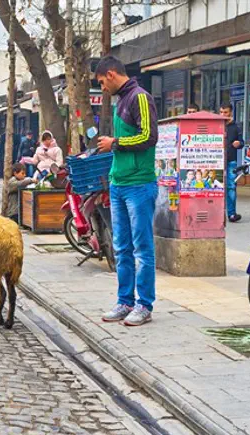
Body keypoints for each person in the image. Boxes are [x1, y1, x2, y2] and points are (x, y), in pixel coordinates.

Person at [95, 55, 158, 327]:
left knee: (142, 248)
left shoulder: (140, 97)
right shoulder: (121, 100)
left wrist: (115, 143)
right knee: (121, 248)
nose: (102, 88)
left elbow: (149, 136)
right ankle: (125, 301)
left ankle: (144, 305)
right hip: (119, 183)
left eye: (102, 82)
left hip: (139, 184)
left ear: (111, 74)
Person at [220, 103, 243, 223]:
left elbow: (242, 142)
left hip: (231, 161)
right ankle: (217, 214)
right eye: (221, 112)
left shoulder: (236, 127)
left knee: (231, 187)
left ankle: (232, 213)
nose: (223, 115)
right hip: (217, 162)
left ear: (231, 113)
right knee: (215, 187)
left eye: (226, 112)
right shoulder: (217, 125)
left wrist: (239, 144)